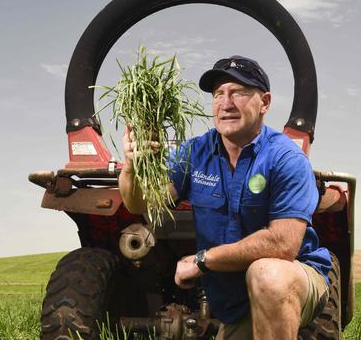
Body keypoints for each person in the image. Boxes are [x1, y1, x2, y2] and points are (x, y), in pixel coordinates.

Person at [118, 55, 332, 339]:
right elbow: (144, 204)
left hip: (294, 279)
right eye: (218, 94)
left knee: (268, 274)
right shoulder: (195, 152)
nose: (226, 103)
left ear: (264, 102)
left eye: (239, 93)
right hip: (234, 303)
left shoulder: (285, 157)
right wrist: (132, 167)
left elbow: (283, 245)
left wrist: (202, 260)